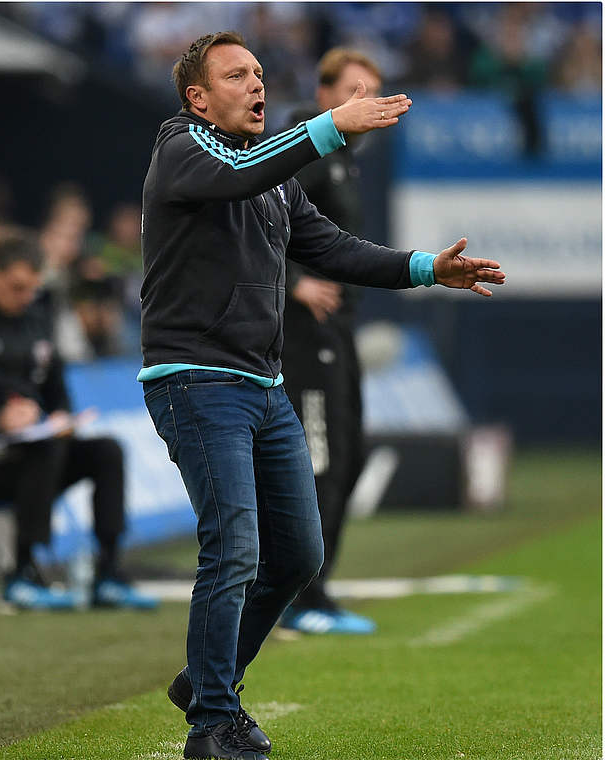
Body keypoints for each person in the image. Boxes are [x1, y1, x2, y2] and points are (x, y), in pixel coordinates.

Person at [139, 32, 504, 760]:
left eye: (260, 73)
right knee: (234, 548)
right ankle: (212, 722)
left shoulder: (273, 175)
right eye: (235, 75)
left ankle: (209, 680)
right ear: (197, 97)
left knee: (300, 556)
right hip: (197, 380)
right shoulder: (185, 149)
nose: (255, 84)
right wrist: (333, 124)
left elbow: (332, 248)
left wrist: (429, 267)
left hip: (262, 385)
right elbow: (236, 173)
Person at [0, 233, 160, 611]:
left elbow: (57, 391)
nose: (24, 297)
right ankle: (22, 573)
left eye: (31, 289)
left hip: (30, 453)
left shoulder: (37, 323)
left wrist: (60, 418)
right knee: (45, 448)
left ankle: (109, 574)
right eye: (16, 287)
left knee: (106, 450)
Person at [277, 49, 386, 637]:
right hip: (303, 333)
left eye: (373, 91)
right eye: (354, 91)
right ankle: (301, 597)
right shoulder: (303, 149)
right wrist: (295, 283)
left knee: (350, 456)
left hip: (337, 328)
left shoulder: (342, 160)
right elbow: (255, 216)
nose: (365, 102)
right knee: (318, 460)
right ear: (324, 96)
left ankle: (319, 587)